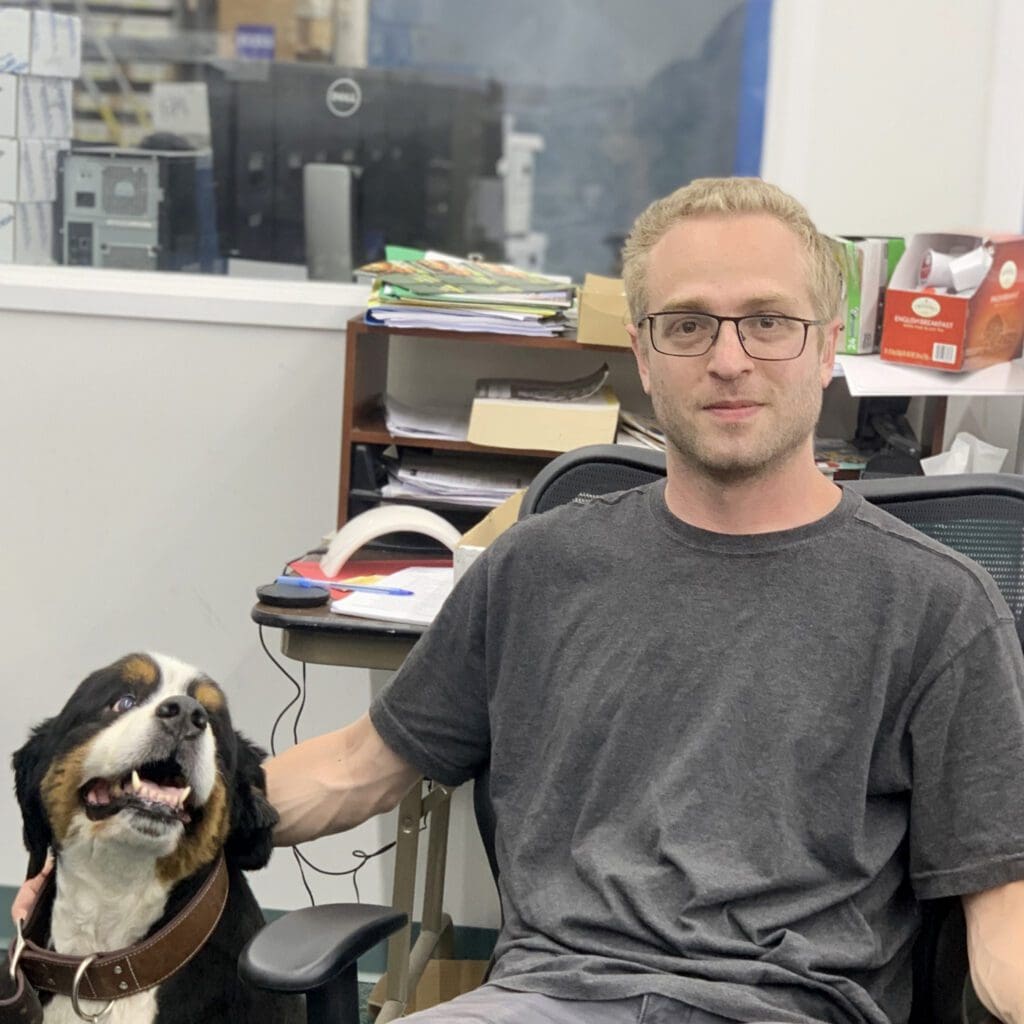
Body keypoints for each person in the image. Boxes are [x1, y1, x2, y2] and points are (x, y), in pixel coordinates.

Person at [13, 179, 1024, 1023]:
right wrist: (114, 829)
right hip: (544, 1000)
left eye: (766, 321)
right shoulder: (537, 569)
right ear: (640, 348)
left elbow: (1003, 922)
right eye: (687, 325)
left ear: (825, 338)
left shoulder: (936, 608)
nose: (728, 358)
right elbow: (359, 768)